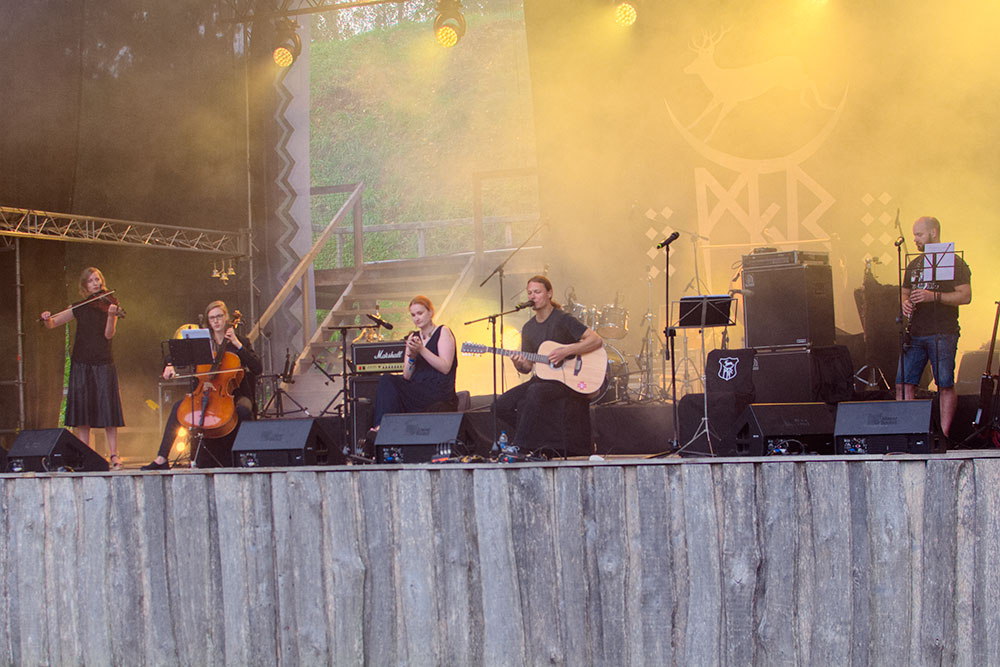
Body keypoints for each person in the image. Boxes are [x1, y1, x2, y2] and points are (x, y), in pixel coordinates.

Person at [142, 300, 261, 469]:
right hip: (205, 392)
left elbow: (257, 368)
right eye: (212, 318)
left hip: (235, 394)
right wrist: (169, 365)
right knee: (178, 408)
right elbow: (176, 354)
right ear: (208, 321)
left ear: (226, 317)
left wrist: (237, 344)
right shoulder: (203, 342)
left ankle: (245, 457)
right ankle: (161, 458)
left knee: (244, 410)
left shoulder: (241, 341)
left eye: (219, 316)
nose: (216, 321)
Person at [495, 275, 603, 453]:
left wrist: (566, 351)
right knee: (500, 406)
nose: (532, 296)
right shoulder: (529, 327)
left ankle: (519, 444)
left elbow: (596, 340)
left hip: (566, 380)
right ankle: (535, 438)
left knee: (534, 391)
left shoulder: (562, 319)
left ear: (549, 293)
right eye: (530, 293)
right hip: (543, 378)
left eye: (537, 292)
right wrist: (517, 362)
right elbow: (527, 367)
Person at [40, 267, 125, 469]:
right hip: (81, 362)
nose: (96, 283)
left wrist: (111, 316)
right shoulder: (79, 307)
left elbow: (109, 335)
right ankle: (86, 455)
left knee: (108, 411)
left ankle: (114, 455)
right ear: (85, 285)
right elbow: (53, 323)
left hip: (103, 361)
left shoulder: (110, 305)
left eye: (98, 279)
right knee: (83, 412)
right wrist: (46, 318)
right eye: (91, 280)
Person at [896, 216, 972, 438]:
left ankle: (943, 437)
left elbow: (965, 296)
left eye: (919, 234)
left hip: (943, 332)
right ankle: (910, 434)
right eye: (914, 235)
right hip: (915, 333)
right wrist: (905, 302)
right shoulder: (914, 264)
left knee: (944, 384)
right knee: (903, 383)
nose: (915, 239)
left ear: (933, 233)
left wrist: (933, 296)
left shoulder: (954, 262)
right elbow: (904, 291)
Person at [372, 295, 457, 427]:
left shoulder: (443, 331)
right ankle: (381, 427)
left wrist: (421, 350)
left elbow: (445, 367)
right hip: (417, 388)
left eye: (420, 313)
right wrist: (412, 357)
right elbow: (407, 375)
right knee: (386, 379)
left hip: (438, 390)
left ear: (430, 312)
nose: (416, 318)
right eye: (413, 315)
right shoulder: (413, 336)